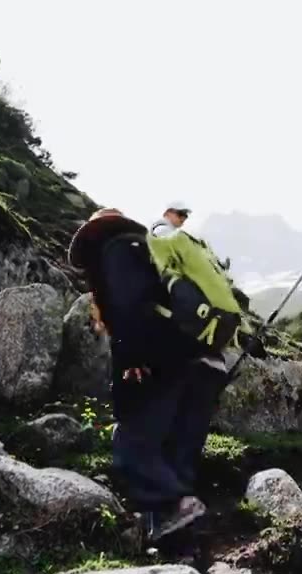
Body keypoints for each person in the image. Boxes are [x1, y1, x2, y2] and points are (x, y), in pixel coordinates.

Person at [69, 208, 230, 542]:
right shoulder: (157, 255)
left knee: (133, 447)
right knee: (177, 458)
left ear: (95, 237)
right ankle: (181, 547)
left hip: (167, 358)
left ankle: (175, 511)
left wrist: (130, 360)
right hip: (209, 361)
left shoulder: (116, 249)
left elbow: (131, 308)